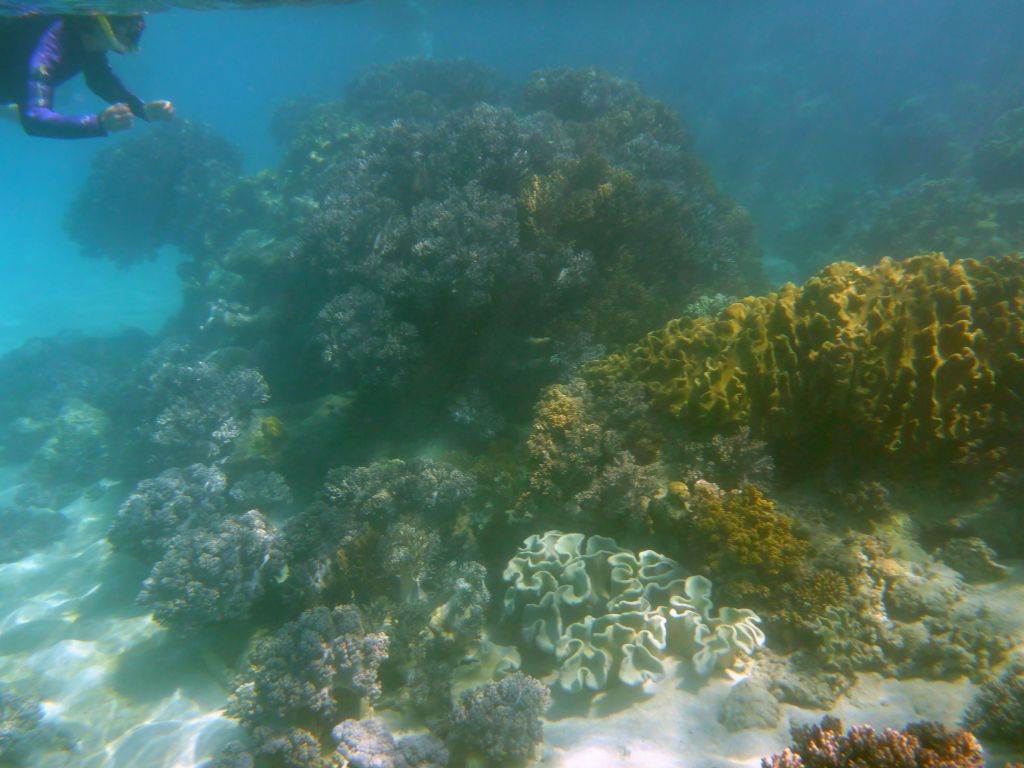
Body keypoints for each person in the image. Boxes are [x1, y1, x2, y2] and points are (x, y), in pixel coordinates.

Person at [0, 13, 174, 139]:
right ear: (100, 23)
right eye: (127, 24)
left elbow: (100, 80)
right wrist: (98, 123)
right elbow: (34, 119)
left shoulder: (84, 40)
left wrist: (141, 110)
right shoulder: (49, 47)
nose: (135, 28)